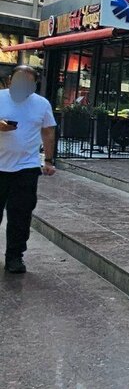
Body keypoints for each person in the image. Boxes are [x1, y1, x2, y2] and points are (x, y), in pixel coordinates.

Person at [0, 65, 57, 274]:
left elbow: (48, 132)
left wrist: (48, 160)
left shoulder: (42, 104)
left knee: (21, 215)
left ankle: (15, 257)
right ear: (10, 81)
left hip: (26, 167)